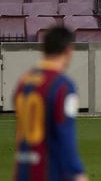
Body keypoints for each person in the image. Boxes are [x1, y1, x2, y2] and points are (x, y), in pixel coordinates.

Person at [12, 26, 89, 181]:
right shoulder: (62, 85)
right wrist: (77, 172)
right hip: (48, 170)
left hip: (22, 170)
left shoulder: (24, 82)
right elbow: (65, 134)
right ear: (69, 50)